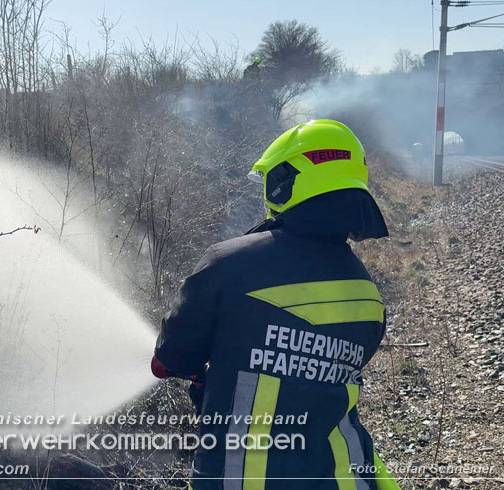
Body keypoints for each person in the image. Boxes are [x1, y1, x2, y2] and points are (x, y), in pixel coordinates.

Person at [151, 120, 401, 490]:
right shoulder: (368, 292)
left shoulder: (228, 264)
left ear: (285, 181)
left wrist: (207, 375)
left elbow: (167, 362)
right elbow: (315, 373)